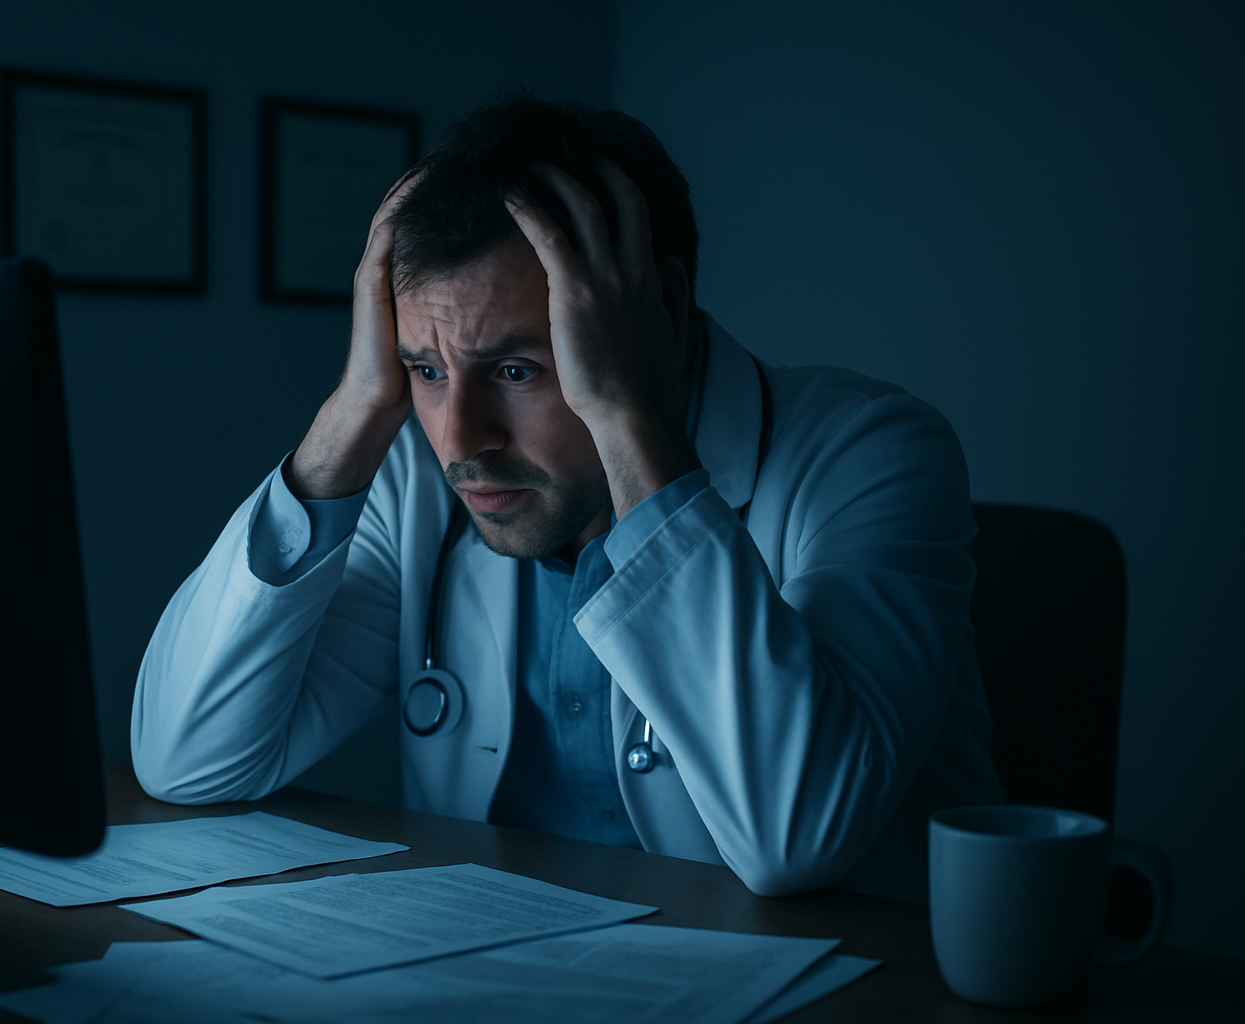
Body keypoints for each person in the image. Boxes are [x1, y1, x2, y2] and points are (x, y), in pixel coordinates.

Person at [131, 96, 1002, 901]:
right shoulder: (412, 479)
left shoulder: (872, 453)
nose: (458, 439)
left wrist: (629, 421)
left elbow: (795, 839)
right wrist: (354, 412)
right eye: (424, 370)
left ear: (657, 311)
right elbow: (187, 761)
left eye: (517, 369)